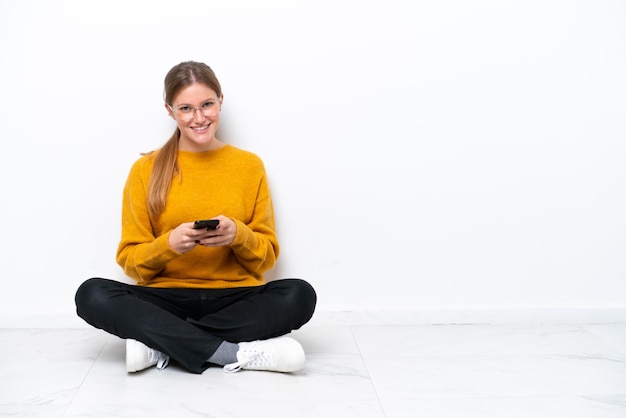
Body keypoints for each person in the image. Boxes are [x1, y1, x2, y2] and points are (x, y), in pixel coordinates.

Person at [75, 61, 317, 374]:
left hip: (234, 297)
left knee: (299, 295)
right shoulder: (144, 170)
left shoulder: (248, 166)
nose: (199, 117)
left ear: (220, 101)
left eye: (207, 105)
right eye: (186, 108)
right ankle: (231, 353)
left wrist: (238, 236)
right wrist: (168, 245)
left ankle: (159, 344)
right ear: (170, 110)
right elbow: (130, 261)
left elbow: (265, 259)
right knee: (91, 294)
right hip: (163, 298)